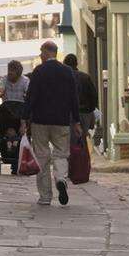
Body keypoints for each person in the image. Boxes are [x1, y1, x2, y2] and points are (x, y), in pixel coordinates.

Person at [21, 41, 83, 206]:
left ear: (47, 52)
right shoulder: (67, 71)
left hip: (40, 121)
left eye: (41, 52)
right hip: (61, 121)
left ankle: (45, 196)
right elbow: (74, 99)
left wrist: (24, 119)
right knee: (61, 153)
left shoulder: (39, 71)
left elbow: (31, 97)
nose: (40, 55)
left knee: (42, 156)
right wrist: (76, 121)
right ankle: (60, 178)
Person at [63, 53, 98, 145]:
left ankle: (73, 157)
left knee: (71, 139)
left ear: (64, 64)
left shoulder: (64, 78)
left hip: (70, 114)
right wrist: (91, 110)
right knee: (82, 137)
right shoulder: (85, 77)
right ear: (76, 63)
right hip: (85, 112)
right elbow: (93, 95)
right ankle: (82, 156)